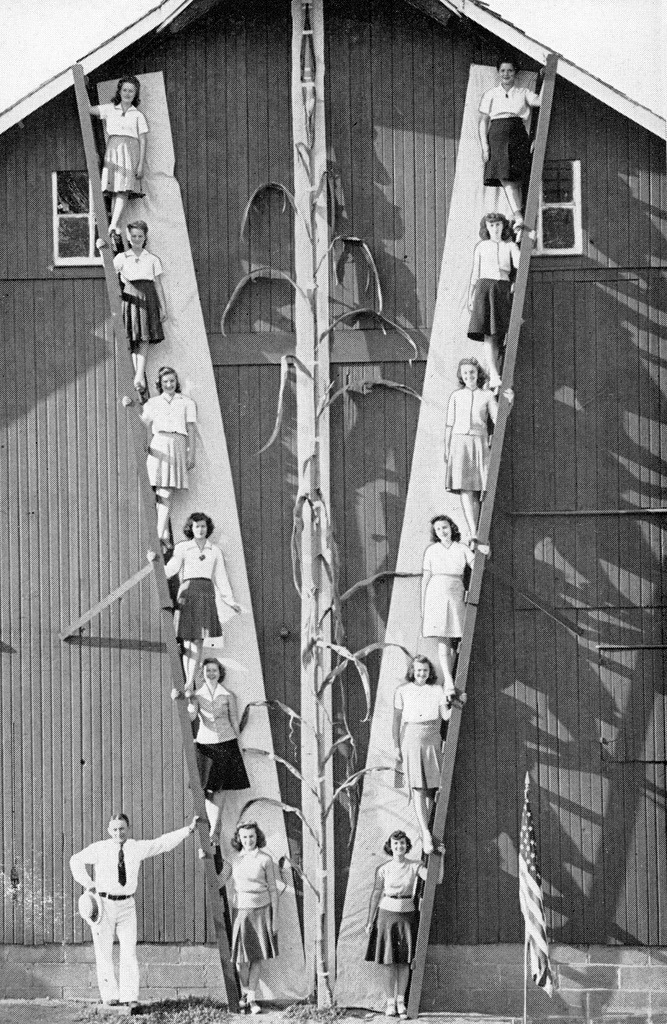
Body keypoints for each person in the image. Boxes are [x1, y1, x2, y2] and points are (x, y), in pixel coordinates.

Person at [69, 812, 198, 1008]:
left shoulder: (136, 847)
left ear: (127, 829)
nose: (118, 833)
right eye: (114, 829)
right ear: (108, 830)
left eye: (122, 829)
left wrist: (188, 830)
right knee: (103, 951)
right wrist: (89, 884)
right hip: (103, 905)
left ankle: (129, 996)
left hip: (127, 905)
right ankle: (110, 996)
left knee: (128, 950)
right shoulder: (100, 848)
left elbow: (162, 843)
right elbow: (75, 860)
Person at [365, 830, 444, 1017]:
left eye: (402, 844)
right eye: (395, 844)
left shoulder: (415, 866)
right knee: (388, 962)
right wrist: (370, 921)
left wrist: (441, 858)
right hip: (386, 917)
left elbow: (436, 879)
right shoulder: (383, 869)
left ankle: (401, 1002)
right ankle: (390, 1003)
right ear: (390, 847)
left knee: (404, 963)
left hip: (407, 916)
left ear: (407, 846)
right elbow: (376, 894)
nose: (398, 847)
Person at [172, 657, 250, 843]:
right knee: (207, 789)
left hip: (226, 743)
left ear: (220, 673)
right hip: (206, 745)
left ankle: (214, 829)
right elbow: (191, 716)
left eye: (214, 670)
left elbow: (234, 720)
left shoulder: (228, 695)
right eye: (207, 670)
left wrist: (238, 746)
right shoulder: (197, 695)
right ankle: (212, 827)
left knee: (221, 790)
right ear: (203, 674)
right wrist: (181, 701)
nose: (211, 673)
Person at [165, 513, 242, 689]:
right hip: (188, 593)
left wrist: (230, 601)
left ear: (208, 528)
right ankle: (188, 682)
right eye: (197, 526)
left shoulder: (214, 551)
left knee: (199, 639)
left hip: (206, 594)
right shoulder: (183, 548)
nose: (200, 530)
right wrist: (154, 564)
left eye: (203, 526)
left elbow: (221, 577)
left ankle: (189, 681)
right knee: (187, 640)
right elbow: (171, 569)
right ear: (191, 529)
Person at [445, 358, 513, 537]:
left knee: (480, 487)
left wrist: (509, 403)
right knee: (465, 489)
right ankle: (473, 532)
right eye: (465, 373)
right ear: (461, 375)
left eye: (472, 372)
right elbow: (449, 426)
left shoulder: (487, 396)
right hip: (459, 442)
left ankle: (482, 530)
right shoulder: (456, 396)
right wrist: (447, 448)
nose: (469, 376)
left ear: (478, 374)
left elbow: (498, 420)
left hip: (479, 441)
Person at [217, 821, 279, 1014]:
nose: (248, 840)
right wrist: (205, 858)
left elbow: (273, 889)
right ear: (239, 839)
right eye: (244, 837)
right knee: (240, 960)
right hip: (241, 913)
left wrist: (275, 918)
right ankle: (246, 994)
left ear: (257, 836)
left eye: (251, 836)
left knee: (256, 957)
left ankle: (251, 998)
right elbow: (219, 881)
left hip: (261, 912)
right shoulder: (233, 860)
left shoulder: (265, 859)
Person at [393, 656, 451, 854]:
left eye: (425, 671)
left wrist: (457, 700)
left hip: (432, 738)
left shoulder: (436, 690)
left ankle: (430, 831)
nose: (422, 674)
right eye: (418, 671)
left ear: (430, 672)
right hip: (411, 738)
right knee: (418, 787)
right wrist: (396, 746)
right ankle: (425, 833)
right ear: (412, 671)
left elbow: (446, 716)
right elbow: (396, 721)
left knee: (433, 787)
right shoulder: (402, 691)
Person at [478, 58, 541, 230]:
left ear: (515, 73)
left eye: (510, 71)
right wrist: (485, 147)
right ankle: (518, 216)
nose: (506, 74)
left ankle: (520, 216)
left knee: (516, 176)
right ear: (499, 73)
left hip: (518, 134)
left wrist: (547, 76)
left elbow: (540, 101)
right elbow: (483, 121)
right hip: (497, 135)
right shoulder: (490, 94)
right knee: (505, 176)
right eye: (503, 71)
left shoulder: (523, 92)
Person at [89, 76, 148, 246]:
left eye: (131, 91)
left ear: (135, 94)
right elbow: (88, 110)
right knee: (114, 188)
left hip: (130, 150)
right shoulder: (109, 109)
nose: (128, 93)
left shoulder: (138, 115)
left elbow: (143, 141)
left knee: (123, 190)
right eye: (125, 90)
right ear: (119, 91)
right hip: (113, 148)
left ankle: (114, 225)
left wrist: (140, 164)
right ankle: (113, 228)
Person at [421, 516, 475, 697]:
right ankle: (449, 682)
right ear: (435, 533)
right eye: (438, 529)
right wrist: (423, 606)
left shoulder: (462, 549)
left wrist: (483, 551)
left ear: (451, 528)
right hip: (435, 594)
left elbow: (477, 564)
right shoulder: (431, 550)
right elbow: (426, 578)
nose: (442, 532)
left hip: (455, 592)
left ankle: (452, 680)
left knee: (457, 637)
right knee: (443, 639)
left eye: (444, 527)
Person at [143, 366, 196, 546]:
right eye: (165, 382)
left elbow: (191, 429)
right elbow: (144, 423)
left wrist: (191, 454)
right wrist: (146, 445)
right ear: (160, 384)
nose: (169, 384)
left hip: (177, 443)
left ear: (176, 382)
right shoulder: (152, 403)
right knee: (160, 490)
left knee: (166, 490)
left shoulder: (186, 402)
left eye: (172, 381)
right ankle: (163, 533)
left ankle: (159, 533)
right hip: (159, 443)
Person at [113, 221, 167, 394]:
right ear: (128, 238)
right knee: (132, 336)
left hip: (147, 297)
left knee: (144, 337)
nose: (137, 239)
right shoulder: (121, 258)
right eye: (133, 236)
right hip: (129, 297)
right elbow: (111, 278)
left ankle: (139, 376)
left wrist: (163, 307)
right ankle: (137, 376)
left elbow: (158, 285)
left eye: (140, 236)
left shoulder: (152, 259)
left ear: (145, 238)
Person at [467, 214, 520, 390]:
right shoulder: (481, 246)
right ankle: (495, 375)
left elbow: (519, 264)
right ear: (486, 228)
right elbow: (475, 274)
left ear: (503, 226)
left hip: (502, 289)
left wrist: (520, 238)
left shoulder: (509, 245)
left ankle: (495, 375)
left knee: (499, 334)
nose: (495, 228)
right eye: (491, 225)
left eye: (498, 225)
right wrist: (470, 297)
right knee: (488, 334)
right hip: (484, 289)